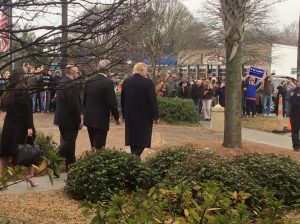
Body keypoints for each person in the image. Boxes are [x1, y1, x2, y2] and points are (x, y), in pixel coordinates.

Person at [0, 68, 38, 187]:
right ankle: (29, 176)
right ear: (21, 76)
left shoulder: (8, 90)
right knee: (28, 151)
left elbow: (3, 105)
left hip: (9, 124)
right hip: (21, 125)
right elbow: (27, 111)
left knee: (5, 153)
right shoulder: (23, 90)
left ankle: (1, 179)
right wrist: (30, 127)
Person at [121, 62, 159, 157]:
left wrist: (124, 115)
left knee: (133, 140)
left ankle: (134, 157)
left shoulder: (126, 82)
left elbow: (122, 100)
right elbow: (152, 101)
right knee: (142, 141)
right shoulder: (148, 83)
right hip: (144, 117)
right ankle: (135, 159)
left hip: (130, 116)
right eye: (146, 71)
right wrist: (156, 116)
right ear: (141, 70)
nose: (147, 73)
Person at [83, 59, 121, 150]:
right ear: (108, 69)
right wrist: (117, 118)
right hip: (101, 118)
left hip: (89, 117)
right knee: (100, 146)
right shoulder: (108, 82)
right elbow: (112, 102)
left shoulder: (89, 81)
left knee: (92, 145)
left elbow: (84, 100)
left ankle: (91, 160)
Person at [54, 65, 82, 171]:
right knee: (69, 142)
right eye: (77, 72)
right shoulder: (71, 84)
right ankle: (54, 161)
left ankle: (70, 163)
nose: (78, 74)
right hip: (69, 119)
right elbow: (74, 105)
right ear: (72, 72)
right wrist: (78, 121)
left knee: (68, 142)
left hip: (61, 118)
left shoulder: (61, 82)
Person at [289, 80, 300, 152]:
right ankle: (296, 146)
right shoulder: (293, 92)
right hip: (296, 114)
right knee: (295, 130)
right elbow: (294, 102)